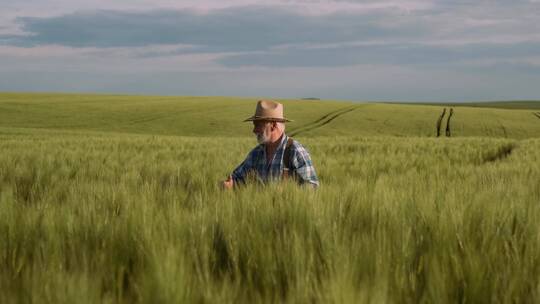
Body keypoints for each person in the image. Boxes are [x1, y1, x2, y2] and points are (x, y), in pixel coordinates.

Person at [222, 100, 319, 189]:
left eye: (258, 125)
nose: (254, 130)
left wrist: (288, 191)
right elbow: (238, 178)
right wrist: (231, 184)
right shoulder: (256, 153)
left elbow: (313, 186)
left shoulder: (294, 150)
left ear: (273, 125)